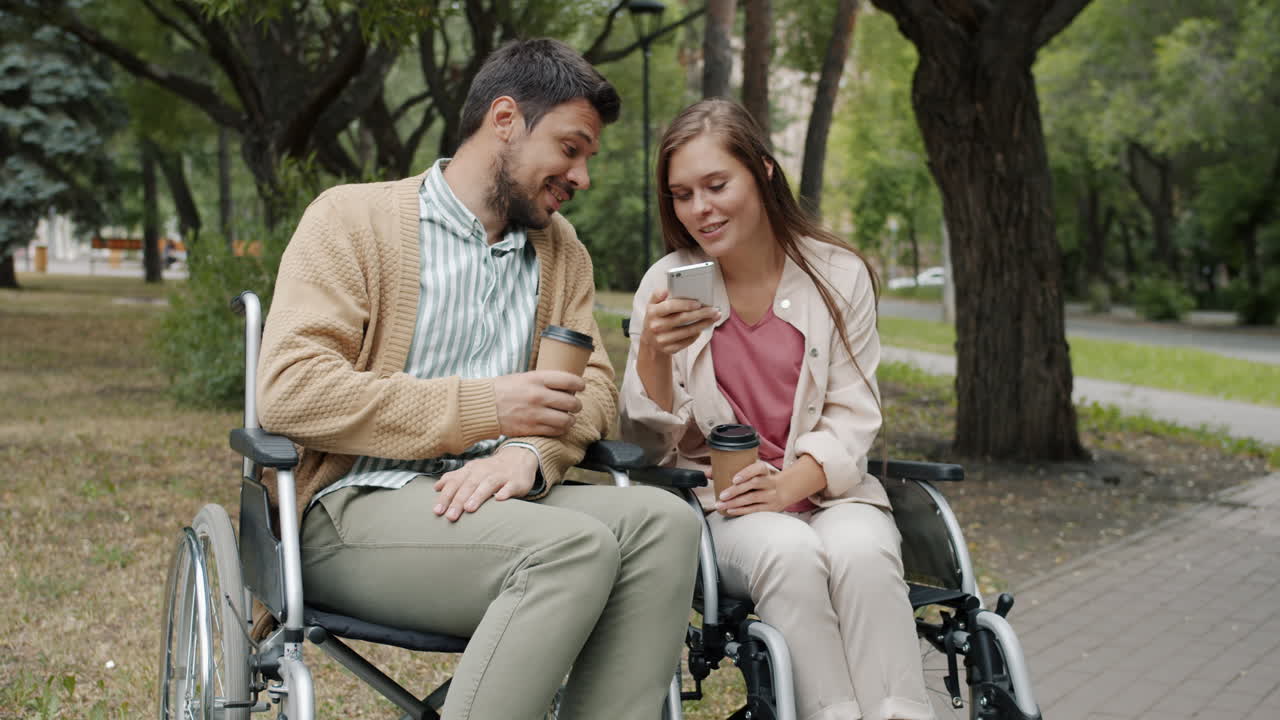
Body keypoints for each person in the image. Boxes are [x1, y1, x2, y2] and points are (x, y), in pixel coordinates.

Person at [256, 38, 700, 720]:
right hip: (351, 505)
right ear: (505, 120)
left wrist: (530, 453)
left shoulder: (562, 252)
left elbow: (593, 392)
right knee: (570, 549)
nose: (582, 177)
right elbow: (291, 392)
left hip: (503, 500)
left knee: (665, 524)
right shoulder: (351, 220)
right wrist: (487, 407)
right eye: (571, 148)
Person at [619, 98, 933, 720]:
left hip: (829, 492)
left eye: (717, 185)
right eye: (682, 194)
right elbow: (647, 448)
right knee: (789, 551)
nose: (700, 208)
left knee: (864, 553)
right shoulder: (666, 284)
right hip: (724, 506)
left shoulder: (837, 274)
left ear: (763, 170)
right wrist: (653, 352)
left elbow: (853, 413)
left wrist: (789, 484)